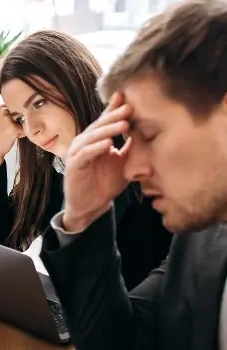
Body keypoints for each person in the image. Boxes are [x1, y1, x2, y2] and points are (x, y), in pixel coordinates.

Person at [37, 1, 227, 349]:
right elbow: (118, 342)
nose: (132, 169)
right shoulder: (201, 236)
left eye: (151, 134)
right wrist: (85, 215)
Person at [0, 30, 171, 290]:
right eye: (20, 118)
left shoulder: (141, 172)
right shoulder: (50, 171)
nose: (32, 129)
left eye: (39, 103)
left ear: (76, 83)